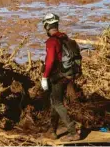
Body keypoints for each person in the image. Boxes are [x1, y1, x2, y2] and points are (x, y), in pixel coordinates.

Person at [41, 13, 80, 142]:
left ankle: (73, 131)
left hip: (58, 76)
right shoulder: (65, 38)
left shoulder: (52, 41)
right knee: (55, 102)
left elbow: (50, 61)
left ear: (47, 26)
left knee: (57, 103)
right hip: (68, 74)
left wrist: (45, 77)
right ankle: (52, 131)